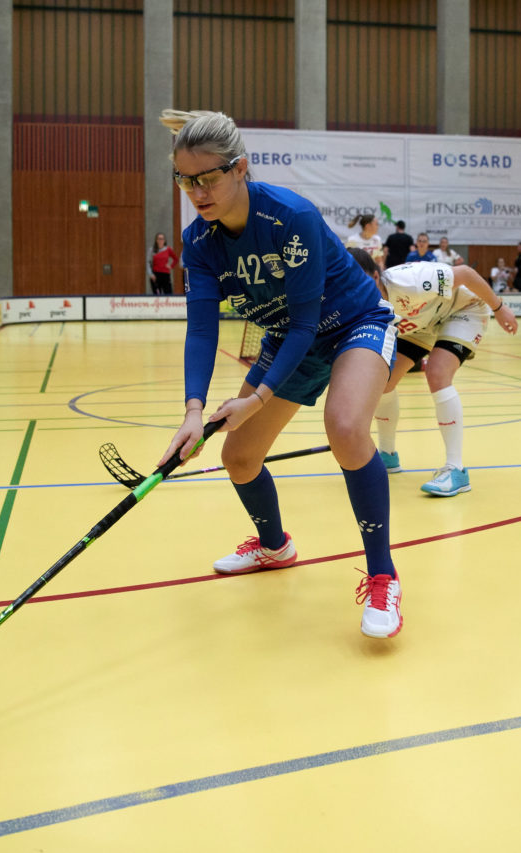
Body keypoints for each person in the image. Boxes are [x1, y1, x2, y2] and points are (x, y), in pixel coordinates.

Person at [156, 109, 402, 639]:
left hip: (352, 324)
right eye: (185, 180)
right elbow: (202, 330)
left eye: (208, 178)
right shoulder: (198, 241)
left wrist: (258, 399)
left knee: (345, 428)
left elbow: (308, 320)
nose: (197, 192)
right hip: (289, 339)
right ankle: (274, 547)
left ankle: (383, 576)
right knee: (239, 458)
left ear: (240, 168)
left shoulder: (291, 216)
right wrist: (193, 411)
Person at [349, 249, 519, 497]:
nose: (357, 291)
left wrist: (499, 307)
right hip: (421, 324)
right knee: (383, 381)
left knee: (437, 373)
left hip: (463, 309)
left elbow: (466, 273)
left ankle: (456, 469)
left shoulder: (411, 280)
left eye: (361, 283)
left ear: (376, 276)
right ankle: (387, 455)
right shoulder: (357, 301)